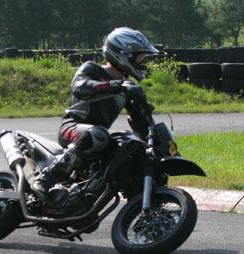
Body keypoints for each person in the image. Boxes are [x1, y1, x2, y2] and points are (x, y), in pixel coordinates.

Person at [30, 27, 162, 200]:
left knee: (131, 146)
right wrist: (115, 86)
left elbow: (143, 125)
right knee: (98, 135)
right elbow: (80, 87)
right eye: (139, 58)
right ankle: (46, 179)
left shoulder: (126, 87)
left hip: (98, 138)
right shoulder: (92, 69)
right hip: (72, 127)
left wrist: (157, 143)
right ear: (124, 54)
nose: (141, 63)